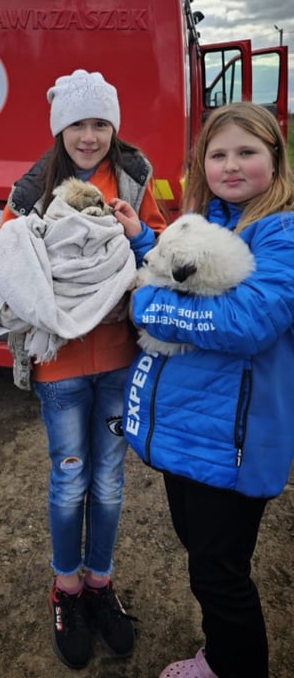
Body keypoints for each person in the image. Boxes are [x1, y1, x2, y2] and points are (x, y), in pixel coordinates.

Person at [0, 69, 166, 669]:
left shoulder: (135, 180)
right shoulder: (31, 191)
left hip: (120, 359)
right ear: (59, 128)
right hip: (61, 368)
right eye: (78, 124)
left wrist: (137, 230)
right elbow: (7, 265)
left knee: (112, 482)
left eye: (100, 123)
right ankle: (66, 590)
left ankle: (100, 584)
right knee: (71, 480)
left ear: (113, 127)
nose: (89, 136)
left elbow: (163, 254)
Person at [122, 101, 294, 678]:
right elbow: (174, 259)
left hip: (233, 445)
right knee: (203, 558)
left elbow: (247, 322)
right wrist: (142, 236)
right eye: (217, 154)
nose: (232, 165)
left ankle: (233, 666)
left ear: (276, 157)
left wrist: (148, 303)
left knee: (220, 575)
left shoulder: (283, 232)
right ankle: (219, 655)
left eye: (248, 152)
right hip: (190, 435)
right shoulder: (212, 218)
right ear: (201, 164)